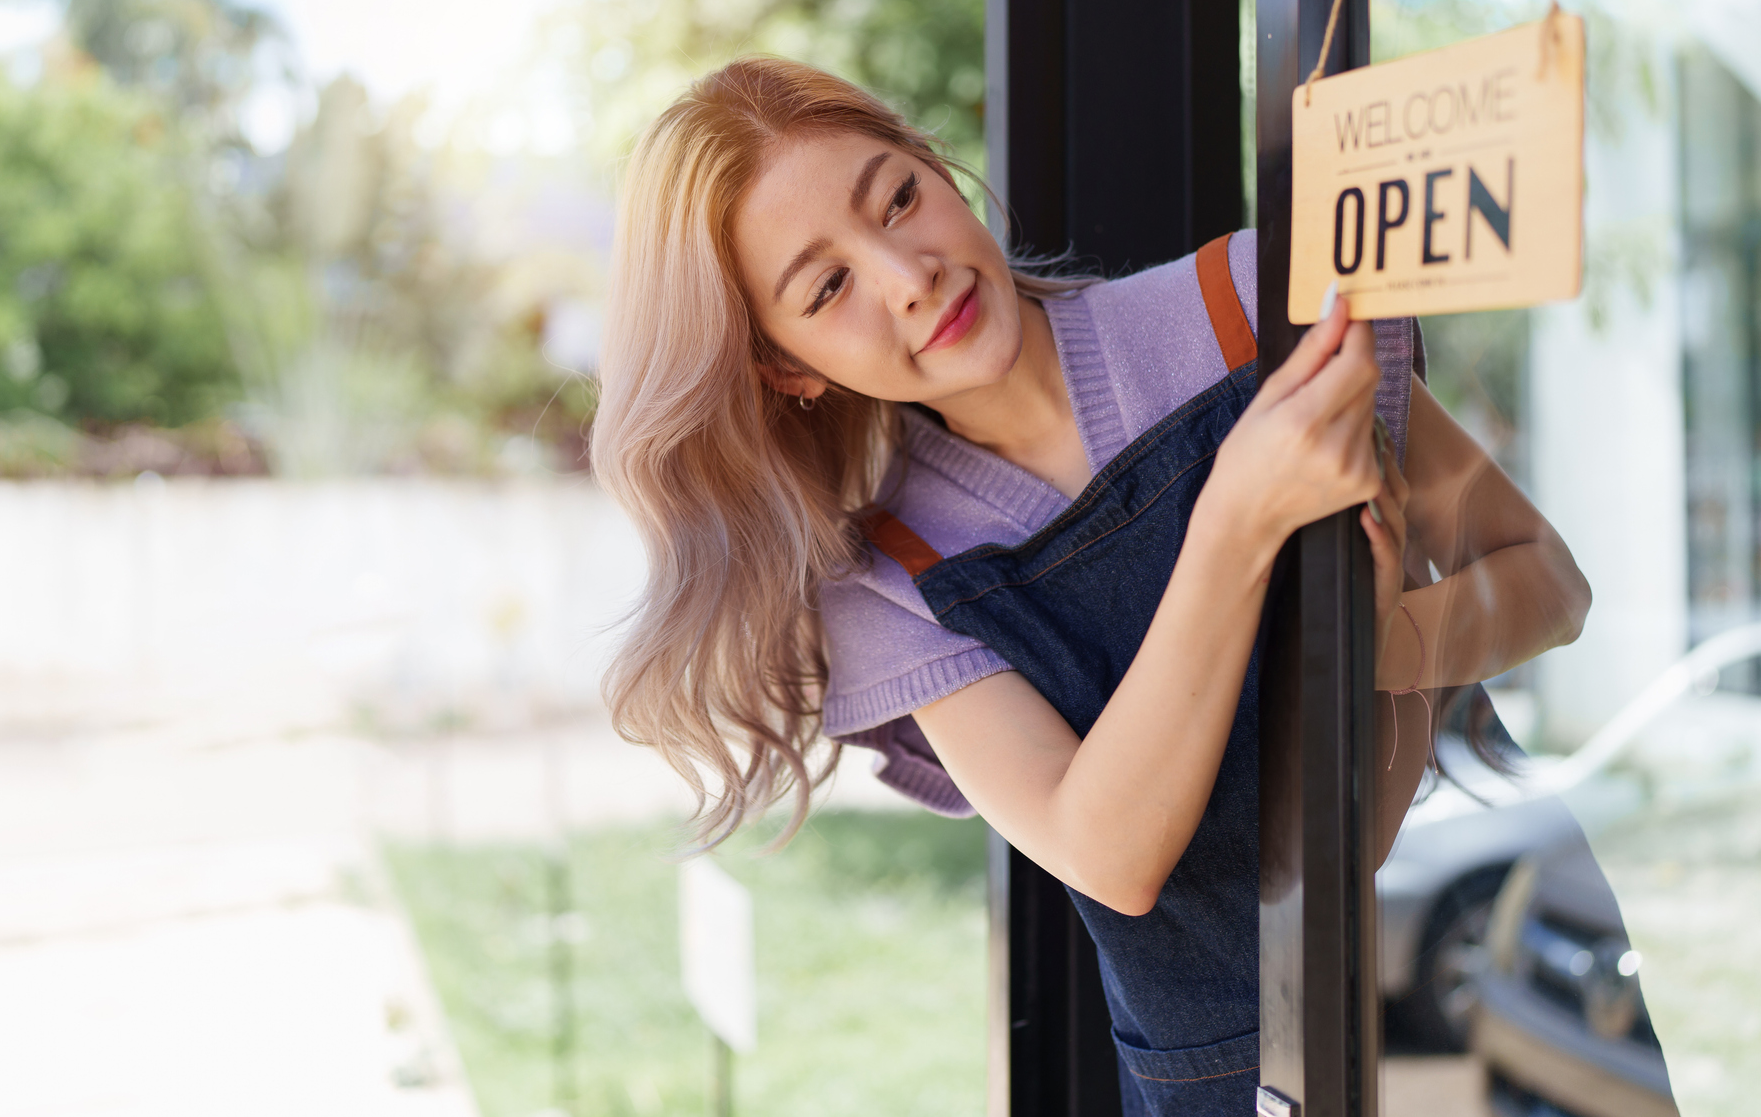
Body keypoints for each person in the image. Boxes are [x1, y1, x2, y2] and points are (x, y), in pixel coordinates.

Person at [592, 56, 1591, 1114]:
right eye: (828, 287)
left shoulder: (1249, 311)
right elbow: (1109, 853)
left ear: (940, 167)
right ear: (787, 368)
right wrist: (1236, 521)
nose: (908, 274)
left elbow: (1546, 583)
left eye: (898, 197)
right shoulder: (888, 584)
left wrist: (1382, 640)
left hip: (1447, 990)